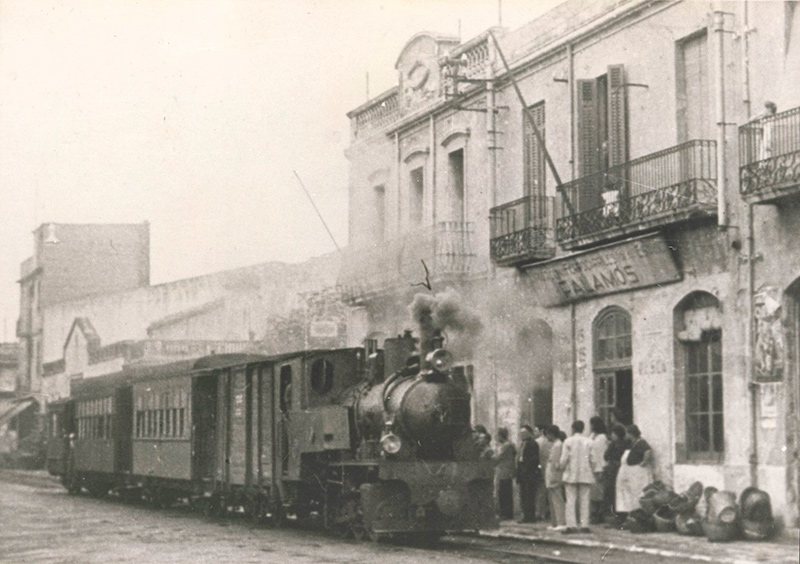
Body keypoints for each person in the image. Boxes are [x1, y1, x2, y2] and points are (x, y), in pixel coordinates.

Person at [559, 420, 595, 534]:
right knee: (584, 500)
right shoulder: (589, 442)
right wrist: (591, 470)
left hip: (571, 474)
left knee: (570, 500)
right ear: (583, 429)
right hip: (585, 473)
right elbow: (593, 460)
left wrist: (561, 467)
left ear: (573, 428)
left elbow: (564, 459)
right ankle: (584, 525)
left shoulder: (568, 441)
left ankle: (571, 525)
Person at [615, 424, 654, 520]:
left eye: (627, 433)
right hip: (632, 472)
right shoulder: (633, 442)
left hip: (638, 472)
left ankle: (638, 515)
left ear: (631, 434)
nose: (626, 436)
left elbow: (648, 451)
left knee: (638, 493)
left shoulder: (641, 442)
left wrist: (644, 462)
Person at [603, 425, 630, 526]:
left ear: (616, 434)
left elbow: (605, 456)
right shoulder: (627, 444)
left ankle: (614, 518)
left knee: (611, 494)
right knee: (622, 494)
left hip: (613, 470)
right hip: (623, 469)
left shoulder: (613, 444)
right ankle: (622, 518)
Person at [516, 424, 540, 523]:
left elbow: (534, 459)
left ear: (529, 433)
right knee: (524, 495)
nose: (522, 435)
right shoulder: (522, 444)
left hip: (529, 473)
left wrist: (526, 468)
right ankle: (526, 515)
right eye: (521, 433)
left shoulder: (533, 444)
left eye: (524, 433)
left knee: (529, 495)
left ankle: (530, 516)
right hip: (522, 473)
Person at [544, 425, 566, 530]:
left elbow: (555, 463)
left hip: (554, 476)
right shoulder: (555, 445)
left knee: (557, 500)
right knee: (553, 500)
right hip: (551, 475)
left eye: (547, 434)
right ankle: (555, 522)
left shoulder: (558, 445)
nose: (546, 436)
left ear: (552, 434)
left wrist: (554, 477)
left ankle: (560, 522)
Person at [589, 416, 609, 524]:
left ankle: (599, 514)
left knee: (599, 493)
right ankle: (594, 514)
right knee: (593, 493)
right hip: (591, 467)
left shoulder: (602, 438)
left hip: (598, 468)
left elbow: (601, 455)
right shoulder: (592, 436)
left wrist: (600, 469)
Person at [494, 427, 516, 520]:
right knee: (503, 492)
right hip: (504, 470)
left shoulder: (506, 446)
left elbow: (498, 457)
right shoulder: (506, 445)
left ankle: (505, 513)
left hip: (505, 471)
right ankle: (505, 512)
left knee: (504, 493)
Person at [534, 424, 551, 522]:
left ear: (541, 431)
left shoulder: (538, 442)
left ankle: (540, 512)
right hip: (547, 468)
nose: (535, 433)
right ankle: (545, 512)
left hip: (540, 468)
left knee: (540, 492)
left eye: (536, 430)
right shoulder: (549, 442)